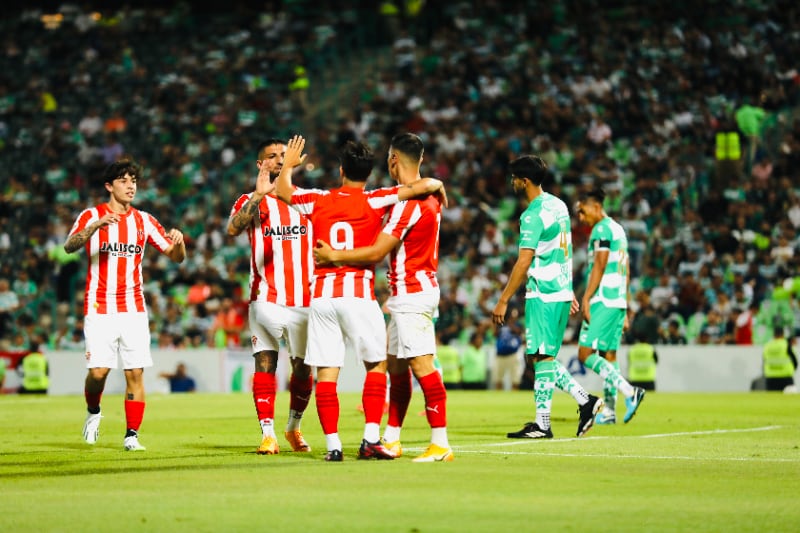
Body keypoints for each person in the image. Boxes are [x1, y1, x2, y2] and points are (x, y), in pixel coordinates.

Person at [275, 134, 445, 461]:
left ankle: (334, 447)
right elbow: (416, 188)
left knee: (326, 372)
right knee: (378, 365)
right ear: (368, 174)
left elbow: (283, 192)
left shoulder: (319, 199)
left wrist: (288, 166)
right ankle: (370, 438)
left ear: (341, 171)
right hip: (358, 293)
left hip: (323, 295)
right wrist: (435, 182)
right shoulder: (377, 199)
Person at [64, 159, 186, 451]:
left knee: (135, 372)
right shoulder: (91, 215)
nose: (131, 185)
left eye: (134, 180)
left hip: (133, 307)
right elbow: (69, 246)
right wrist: (95, 227)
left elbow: (175, 256)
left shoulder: (143, 220)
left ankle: (132, 435)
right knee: (98, 373)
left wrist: (180, 242)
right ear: (109, 185)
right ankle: (94, 412)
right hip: (99, 306)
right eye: (123, 180)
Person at [492, 155, 603, 440]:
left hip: (543, 293)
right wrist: (567, 290)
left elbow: (523, 262)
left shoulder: (531, 215)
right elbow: (562, 251)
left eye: (515, 177)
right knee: (544, 358)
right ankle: (581, 403)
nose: (512, 181)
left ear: (525, 181)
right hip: (561, 291)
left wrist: (504, 299)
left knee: (540, 357)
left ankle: (549, 421)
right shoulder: (559, 205)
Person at [227, 138, 314, 455]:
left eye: (283, 155)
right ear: (259, 164)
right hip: (265, 297)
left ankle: (293, 427)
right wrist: (258, 195)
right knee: (265, 363)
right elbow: (233, 229)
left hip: (304, 299)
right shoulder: (251, 201)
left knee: (303, 370)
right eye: (272, 156)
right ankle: (268, 434)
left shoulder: (305, 199)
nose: (279, 160)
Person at [574, 187, 646, 425]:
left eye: (583, 212)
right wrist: (625, 305)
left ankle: (630, 392)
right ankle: (610, 411)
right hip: (617, 301)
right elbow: (626, 270)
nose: (581, 218)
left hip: (603, 299)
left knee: (585, 353)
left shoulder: (601, 230)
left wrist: (586, 297)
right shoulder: (618, 229)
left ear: (595, 207)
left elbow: (601, 264)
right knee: (610, 354)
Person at [493, 308, 523, 390]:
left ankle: (514, 397)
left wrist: (510, 324)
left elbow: (519, 332)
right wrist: (497, 324)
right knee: (498, 379)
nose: (514, 317)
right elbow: (495, 334)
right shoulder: (502, 324)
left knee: (515, 379)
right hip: (500, 355)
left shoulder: (518, 325)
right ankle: (498, 398)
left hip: (513, 354)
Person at [763, 325, 797, 392]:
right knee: (789, 401)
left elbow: (764, 360)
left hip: (771, 378)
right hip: (786, 377)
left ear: (773, 334)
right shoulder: (786, 345)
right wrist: (792, 370)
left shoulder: (767, 346)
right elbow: (795, 361)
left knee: (771, 400)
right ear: (783, 334)